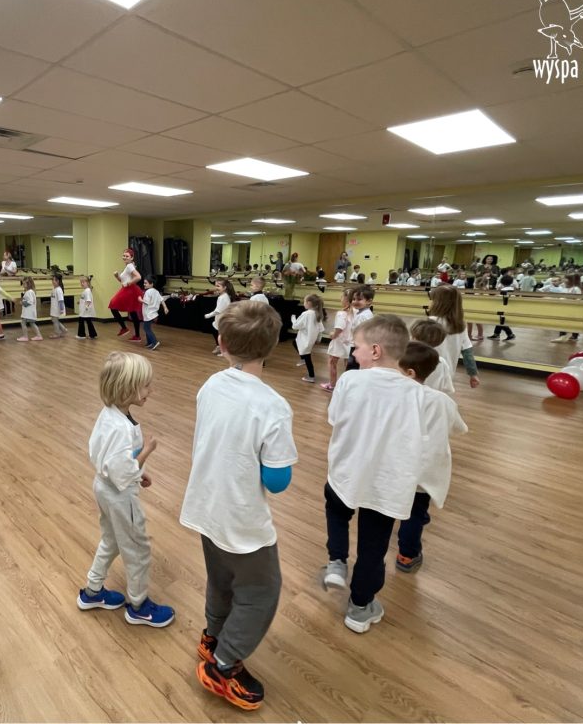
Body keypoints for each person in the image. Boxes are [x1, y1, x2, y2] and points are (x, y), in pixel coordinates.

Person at [181, 301, 297, 711]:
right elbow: (277, 481)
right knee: (262, 592)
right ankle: (224, 664)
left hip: (205, 505)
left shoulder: (211, 384)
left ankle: (213, 636)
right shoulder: (273, 405)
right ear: (272, 347)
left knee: (221, 579)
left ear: (222, 343)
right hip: (241, 518)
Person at [319, 315, 461, 633]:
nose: (353, 353)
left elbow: (334, 419)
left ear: (375, 350)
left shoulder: (350, 381)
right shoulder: (425, 397)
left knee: (336, 511)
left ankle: (337, 560)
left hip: (345, 475)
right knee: (374, 547)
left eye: (356, 347)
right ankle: (359, 609)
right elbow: (446, 429)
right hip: (386, 484)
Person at [77, 352, 174, 629]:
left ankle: (92, 591)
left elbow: (112, 461)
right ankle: (139, 606)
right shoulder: (120, 428)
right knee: (137, 549)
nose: (150, 391)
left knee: (111, 540)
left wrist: (139, 472)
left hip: (104, 487)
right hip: (120, 496)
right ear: (126, 388)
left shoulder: (110, 414)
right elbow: (123, 469)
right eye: (145, 385)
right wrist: (146, 453)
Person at [394, 341, 468, 573]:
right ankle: (407, 556)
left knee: (395, 505)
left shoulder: (392, 397)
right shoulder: (442, 401)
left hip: (397, 465)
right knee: (415, 513)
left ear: (409, 372)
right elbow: (460, 428)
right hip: (425, 470)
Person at [427, 285, 480, 389]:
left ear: (437, 303)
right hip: (448, 374)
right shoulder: (460, 325)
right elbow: (467, 352)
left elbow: (416, 348)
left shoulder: (430, 322)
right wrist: (473, 374)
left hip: (427, 373)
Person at [321, 288, 354, 392]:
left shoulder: (341, 314)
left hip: (339, 341)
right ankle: (348, 386)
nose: (340, 299)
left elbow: (339, 328)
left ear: (346, 299)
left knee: (332, 362)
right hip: (350, 342)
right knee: (348, 364)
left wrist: (333, 335)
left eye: (342, 297)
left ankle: (332, 384)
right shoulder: (355, 314)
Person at [409, 319, 454, 395]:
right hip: (431, 399)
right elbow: (448, 390)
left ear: (414, 338)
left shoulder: (404, 359)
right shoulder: (442, 362)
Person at [109, 248, 143, 341]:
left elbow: (138, 277)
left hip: (129, 290)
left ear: (132, 258)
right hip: (129, 290)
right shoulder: (128, 266)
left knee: (112, 305)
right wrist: (117, 276)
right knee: (133, 312)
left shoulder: (129, 266)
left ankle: (124, 328)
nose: (124, 257)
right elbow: (123, 281)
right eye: (123, 255)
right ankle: (137, 336)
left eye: (127, 256)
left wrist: (128, 283)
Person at [292, 293, 326, 383]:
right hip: (311, 340)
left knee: (308, 358)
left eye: (304, 301)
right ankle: (302, 358)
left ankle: (311, 376)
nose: (304, 303)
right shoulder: (317, 313)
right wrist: (319, 338)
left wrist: (293, 319)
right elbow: (321, 329)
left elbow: (295, 326)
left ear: (309, 303)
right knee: (294, 342)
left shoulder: (306, 314)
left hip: (305, 340)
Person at [344, 285, 375, 371]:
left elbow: (361, 334)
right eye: (354, 299)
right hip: (361, 346)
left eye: (359, 299)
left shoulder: (363, 316)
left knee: (352, 369)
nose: (355, 301)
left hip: (358, 347)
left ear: (369, 301)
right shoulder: (365, 313)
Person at [204, 278, 237, 356]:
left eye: (218, 286)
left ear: (224, 287)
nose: (216, 287)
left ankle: (224, 350)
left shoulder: (223, 297)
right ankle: (221, 348)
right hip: (220, 319)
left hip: (222, 319)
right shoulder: (223, 296)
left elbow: (218, 311)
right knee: (219, 334)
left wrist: (207, 315)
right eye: (216, 285)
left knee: (222, 336)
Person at [139, 276, 168, 350]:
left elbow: (147, 302)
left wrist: (140, 300)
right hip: (153, 313)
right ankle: (149, 343)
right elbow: (162, 300)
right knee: (147, 328)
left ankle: (154, 342)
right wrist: (165, 308)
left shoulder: (148, 292)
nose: (144, 284)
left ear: (151, 284)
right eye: (144, 283)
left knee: (146, 328)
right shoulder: (156, 291)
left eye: (146, 283)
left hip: (148, 314)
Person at [488, 275, 517, 340]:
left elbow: (497, 299)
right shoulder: (513, 290)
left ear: (502, 283)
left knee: (501, 321)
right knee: (500, 320)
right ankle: (497, 334)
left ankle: (510, 334)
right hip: (511, 308)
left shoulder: (502, 291)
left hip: (502, 308)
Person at [17, 276, 43, 342]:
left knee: (23, 323)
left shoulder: (29, 292)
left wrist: (22, 303)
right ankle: (38, 335)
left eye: (24, 284)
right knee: (32, 323)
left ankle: (25, 337)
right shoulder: (29, 292)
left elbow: (30, 301)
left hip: (28, 312)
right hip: (29, 312)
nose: (23, 285)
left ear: (28, 284)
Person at [49, 273, 68, 338]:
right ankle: (64, 330)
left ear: (59, 281)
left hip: (58, 308)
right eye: (52, 280)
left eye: (55, 280)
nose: (53, 281)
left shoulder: (59, 290)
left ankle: (57, 333)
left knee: (55, 321)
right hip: (54, 308)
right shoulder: (54, 289)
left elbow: (61, 301)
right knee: (55, 320)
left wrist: (61, 309)